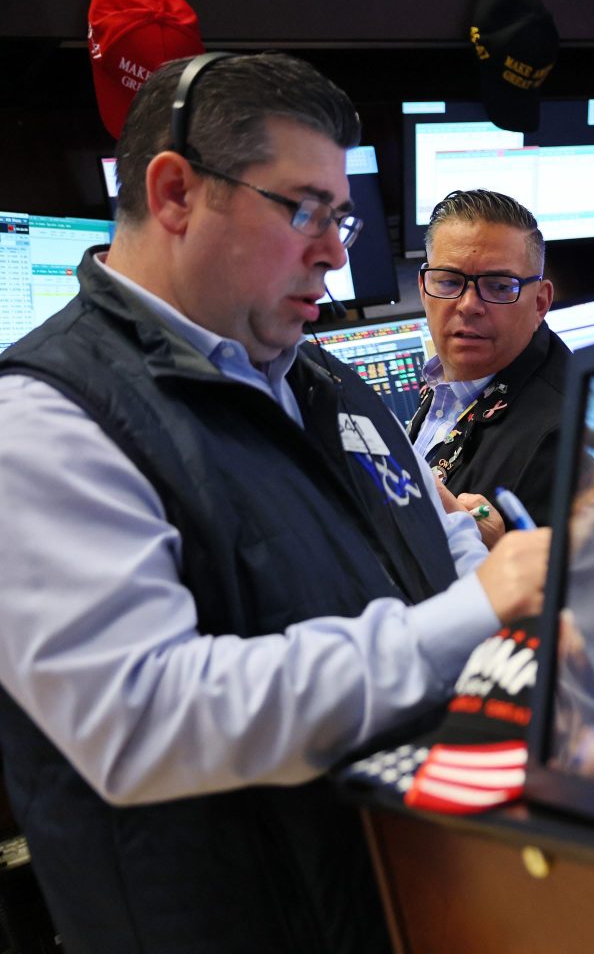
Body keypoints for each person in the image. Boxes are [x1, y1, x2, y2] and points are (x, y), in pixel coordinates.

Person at [0, 52, 550, 954]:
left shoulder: (318, 375)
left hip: (401, 892)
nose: (338, 250)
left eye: (341, 217)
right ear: (176, 193)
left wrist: (518, 599)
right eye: (305, 211)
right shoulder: (48, 420)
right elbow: (143, 721)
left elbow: (432, 534)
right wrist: (474, 612)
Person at [410, 189, 567, 542]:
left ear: (540, 303)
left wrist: (490, 556)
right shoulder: (447, 382)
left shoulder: (562, 440)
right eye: (449, 282)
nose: (468, 305)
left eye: (498, 287)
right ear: (423, 288)